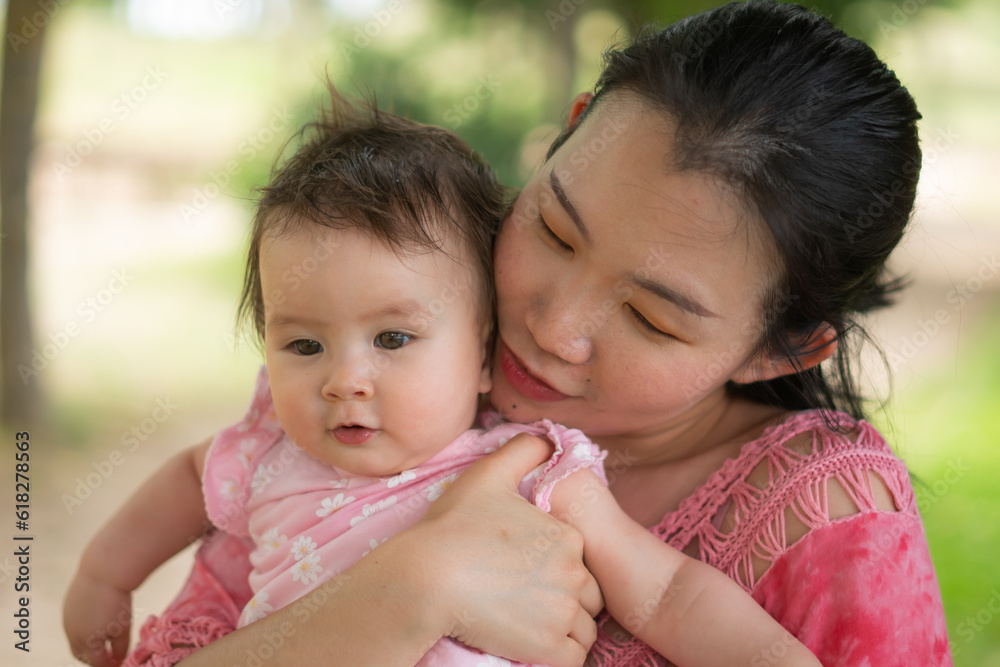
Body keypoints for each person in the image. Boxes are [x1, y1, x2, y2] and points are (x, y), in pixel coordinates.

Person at [65, 1, 953, 665]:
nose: (549, 326)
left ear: (784, 349)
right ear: (563, 138)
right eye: (555, 230)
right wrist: (412, 586)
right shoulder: (390, 348)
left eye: (650, 317)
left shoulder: (825, 522)